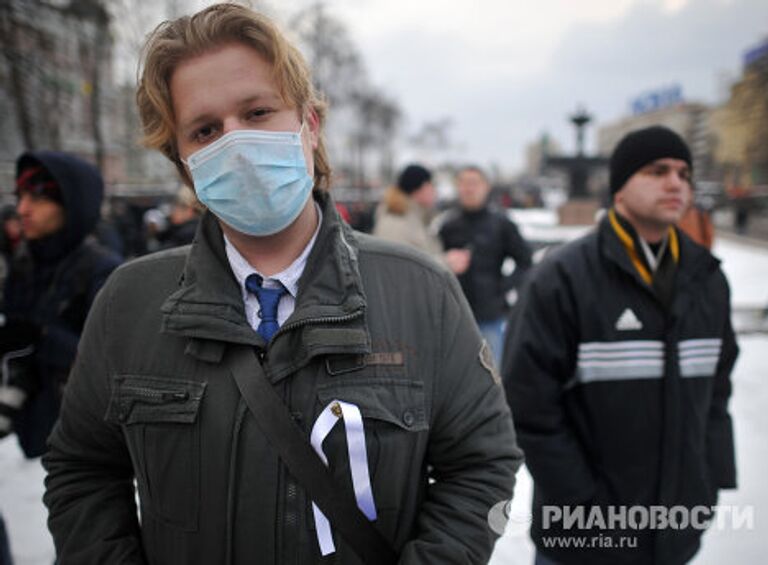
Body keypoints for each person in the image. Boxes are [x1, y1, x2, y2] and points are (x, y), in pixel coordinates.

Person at [42, 4, 522, 564]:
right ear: (185, 164)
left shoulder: (421, 292)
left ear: (310, 126)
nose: (236, 143)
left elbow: (481, 465)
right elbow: (82, 469)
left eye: (258, 112)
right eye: (205, 130)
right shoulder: (130, 303)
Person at [503, 126, 738, 565]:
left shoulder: (707, 278)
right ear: (620, 188)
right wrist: (584, 505)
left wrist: (708, 483)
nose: (676, 183)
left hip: (673, 537)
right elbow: (528, 406)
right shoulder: (562, 278)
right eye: (658, 171)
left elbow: (717, 393)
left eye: (684, 174)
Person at [0, 151, 121, 457]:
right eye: (20, 196)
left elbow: (113, 363)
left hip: (85, 440)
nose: (23, 209)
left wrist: (42, 336)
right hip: (33, 428)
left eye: (38, 198)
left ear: (71, 203)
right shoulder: (26, 262)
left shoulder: (102, 269)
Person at [439, 166, 532, 366]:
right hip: (454, 317)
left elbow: (525, 260)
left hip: (490, 316)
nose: (468, 189)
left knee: (491, 376)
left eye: (474, 183)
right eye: (463, 183)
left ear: (486, 187)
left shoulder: (501, 224)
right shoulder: (448, 226)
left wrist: (502, 287)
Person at [372, 163, 444, 260]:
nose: (435, 191)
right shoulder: (395, 221)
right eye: (431, 185)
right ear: (420, 188)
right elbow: (398, 266)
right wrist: (446, 263)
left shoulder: (415, 216)